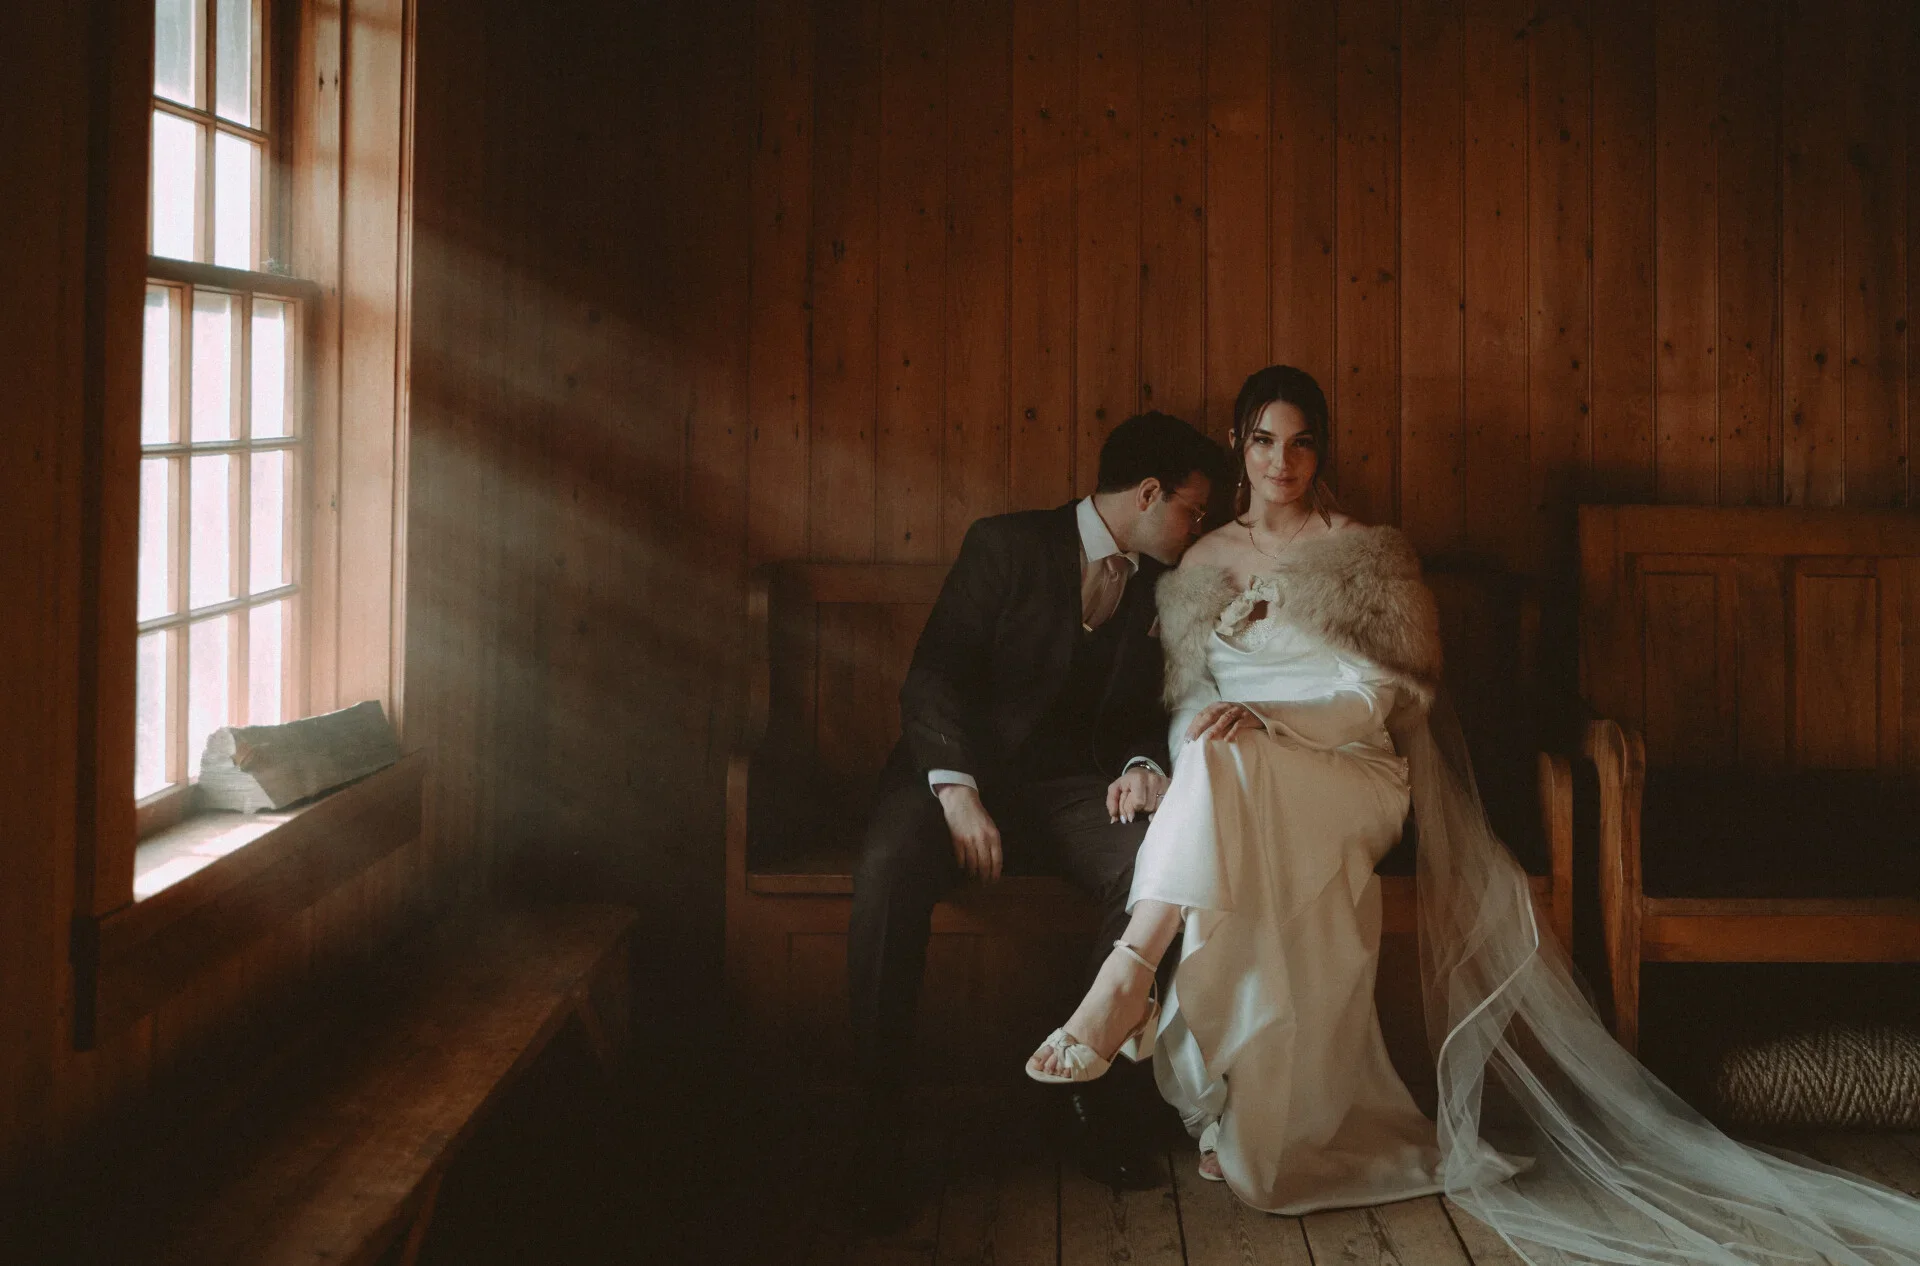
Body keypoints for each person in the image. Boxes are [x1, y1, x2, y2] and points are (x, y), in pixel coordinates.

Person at [1028, 366, 1920, 1260]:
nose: (1282, 461)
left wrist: (1270, 719)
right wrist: (1202, 743)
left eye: (1302, 442)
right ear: (1238, 446)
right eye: (1264, 440)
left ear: (1321, 450)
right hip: (1237, 776)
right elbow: (1187, 702)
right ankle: (1227, 1097)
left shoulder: (1369, 552)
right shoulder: (1202, 560)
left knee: (1234, 759)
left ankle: (1128, 980)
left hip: (1347, 771)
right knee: (1217, 757)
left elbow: (1376, 703)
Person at [847, 411, 1227, 1226]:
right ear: (1150, 493)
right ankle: (873, 1129)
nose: (1199, 528)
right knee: (887, 869)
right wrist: (956, 791)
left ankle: (1088, 1100)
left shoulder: (1164, 581)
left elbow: (1142, 709)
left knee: (1157, 862)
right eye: (1193, 509)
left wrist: (1140, 768)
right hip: (951, 779)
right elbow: (932, 677)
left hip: (1069, 792)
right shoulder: (1006, 545)